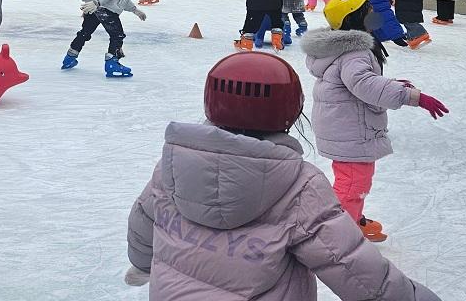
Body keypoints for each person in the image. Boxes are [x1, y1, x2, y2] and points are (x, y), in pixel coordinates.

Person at [125, 50, 441, 300]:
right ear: (290, 112)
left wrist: (142, 265)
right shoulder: (299, 187)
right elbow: (359, 272)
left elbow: (142, 226)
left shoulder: (173, 167)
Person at [304, 0, 449, 242]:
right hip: (350, 128)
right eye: (368, 10)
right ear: (355, 17)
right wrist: (413, 96)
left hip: (344, 124)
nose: (374, 14)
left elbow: (360, 82)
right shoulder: (354, 53)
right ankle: (340, 233)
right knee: (352, 184)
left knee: (354, 181)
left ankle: (351, 217)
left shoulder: (344, 48)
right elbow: (364, 84)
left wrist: (390, 83)